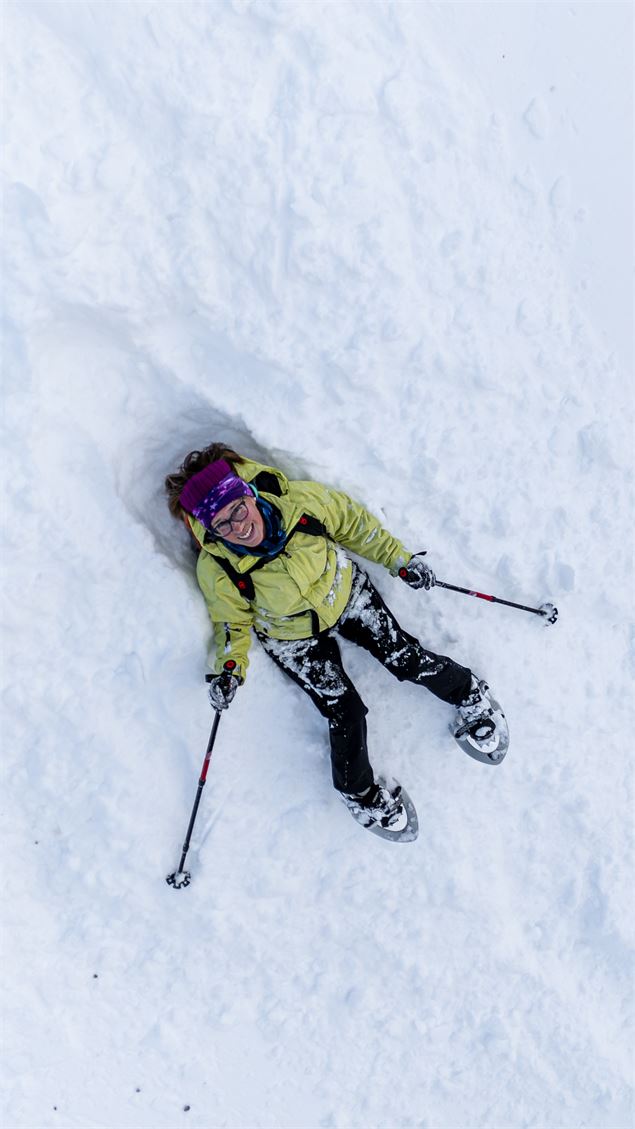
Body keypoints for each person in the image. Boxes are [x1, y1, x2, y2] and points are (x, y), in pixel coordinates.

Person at [165, 443, 507, 835]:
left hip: (344, 593)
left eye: (238, 510)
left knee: (403, 656)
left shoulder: (301, 504)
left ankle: (468, 693)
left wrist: (399, 560)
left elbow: (355, 525)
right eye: (222, 525)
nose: (238, 527)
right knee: (344, 710)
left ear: (249, 494)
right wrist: (229, 669)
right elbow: (231, 625)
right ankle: (359, 793)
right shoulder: (218, 566)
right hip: (291, 637)